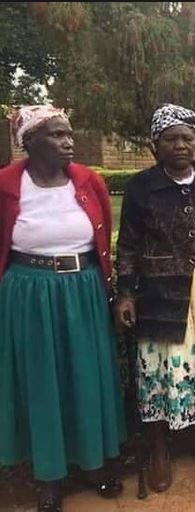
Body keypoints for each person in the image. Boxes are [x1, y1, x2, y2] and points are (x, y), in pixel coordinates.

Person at [0, 105, 126, 511]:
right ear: (30, 141)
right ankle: (49, 476)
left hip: (84, 291)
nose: (68, 141)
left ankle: (92, 465)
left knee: (86, 377)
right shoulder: (5, 185)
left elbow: (103, 240)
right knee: (41, 382)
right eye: (56, 135)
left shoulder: (90, 182)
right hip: (29, 294)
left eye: (69, 133)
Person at [115, 104, 195, 493]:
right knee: (159, 374)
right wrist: (125, 293)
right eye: (171, 138)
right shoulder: (141, 187)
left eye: (187, 137)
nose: (180, 145)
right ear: (156, 144)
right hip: (161, 297)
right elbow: (129, 246)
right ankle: (159, 450)